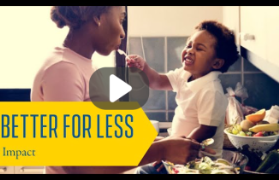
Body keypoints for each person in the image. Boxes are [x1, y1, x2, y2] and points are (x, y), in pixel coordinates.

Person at [30, 6, 215, 174]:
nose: (122, 33)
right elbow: (75, 164)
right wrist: (162, 150)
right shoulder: (63, 69)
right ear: (97, 17)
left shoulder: (83, 65)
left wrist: (165, 143)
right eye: (120, 20)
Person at [127, 20, 239, 174]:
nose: (190, 51)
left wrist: (175, 148)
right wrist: (144, 68)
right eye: (189, 45)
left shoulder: (211, 90)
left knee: (144, 172)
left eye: (199, 48)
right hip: (177, 156)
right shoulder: (184, 74)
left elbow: (206, 130)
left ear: (217, 63)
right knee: (142, 171)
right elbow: (158, 82)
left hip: (198, 163)